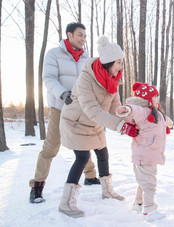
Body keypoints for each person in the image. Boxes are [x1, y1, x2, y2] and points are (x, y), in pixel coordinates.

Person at [58, 35, 139, 218]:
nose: (120, 67)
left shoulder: (113, 78)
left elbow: (114, 105)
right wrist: (120, 127)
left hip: (96, 123)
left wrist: (126, 116)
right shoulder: (86, 78)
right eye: (118, 62)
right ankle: (66, 202)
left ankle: (107, 190)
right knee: (83, 157)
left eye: (121, 62)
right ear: (108, 62)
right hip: (76, 122)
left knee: (102, 152)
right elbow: (92, 109)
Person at [29, 22, 100, 204]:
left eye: (85, 36)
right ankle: (37, 187)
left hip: (80, 108)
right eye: (80, 35)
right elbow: (49, 78)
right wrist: (62, 93)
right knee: (51, 146)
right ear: (69, 35)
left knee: (83, 142)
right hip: (60, 107)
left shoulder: (87, 58)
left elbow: (92, 81)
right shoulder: (54, 54)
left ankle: (90, 176)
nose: (83, 39)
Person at [116, 82, 173, 221]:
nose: (157, 99)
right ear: (148, 99)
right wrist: (126, 109)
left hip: (148, 155)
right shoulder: (144, 112)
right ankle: (149, 209)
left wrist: (169, 123)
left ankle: (138, 202)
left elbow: (166, 120)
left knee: (143, 181)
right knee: (149, 184)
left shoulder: (156, 114)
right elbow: (134, 110)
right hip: (145, 155)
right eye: (155, 97)